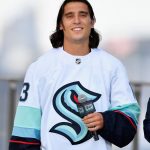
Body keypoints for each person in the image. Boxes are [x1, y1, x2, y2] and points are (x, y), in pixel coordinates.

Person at [9, 0, 140, 150]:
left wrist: (105, 121)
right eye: (69, 16)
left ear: (92, 22)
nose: (77, 20)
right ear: (61, 24)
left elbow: (129, 122)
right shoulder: (39, 68)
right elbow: (25, 131)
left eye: (83, 15)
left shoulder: (113, 66)